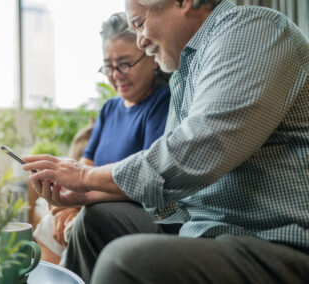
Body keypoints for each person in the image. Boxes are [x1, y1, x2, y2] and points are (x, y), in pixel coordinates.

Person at [23, 0, 309, 283]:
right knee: (94, 221)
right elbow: (169, 187)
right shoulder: (186, 71)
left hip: (275, 240)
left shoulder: (252, 31)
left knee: (125, 260)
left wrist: (86, 177)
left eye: (140, 23)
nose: (141, 40)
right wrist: (84, 195)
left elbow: (195, 154)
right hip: (203, 228)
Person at [32, 12, 171, 265]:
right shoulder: (109, 109)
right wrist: (68, 203)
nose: (116, 74)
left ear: (151, 58)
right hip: (92, 203)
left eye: (125, 64)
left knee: (80, 224)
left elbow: (149, 179)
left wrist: (79, 203)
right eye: (109, 66)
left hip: (131, 210)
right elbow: (86, 165)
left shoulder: (162, 103)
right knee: (51, 221)